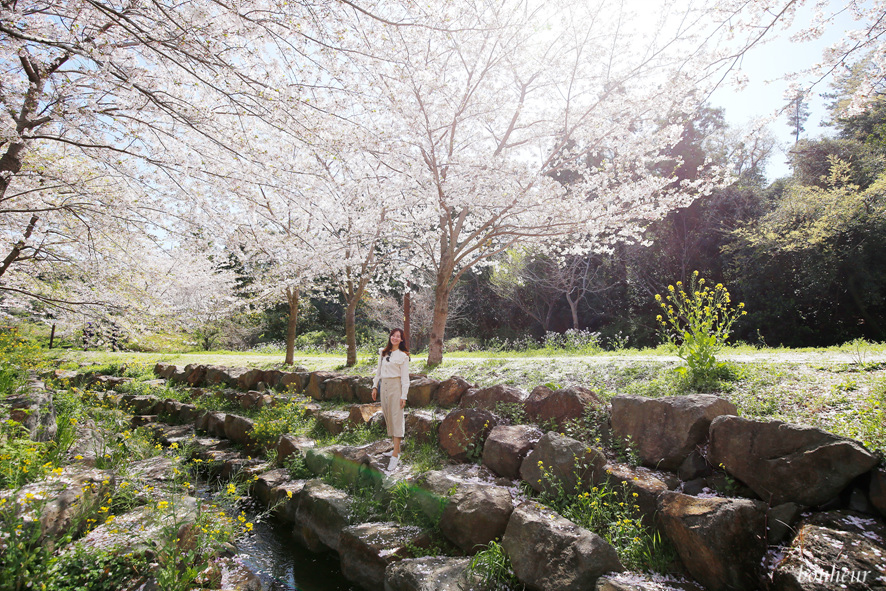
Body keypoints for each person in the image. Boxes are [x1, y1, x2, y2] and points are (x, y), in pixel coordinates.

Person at [371, 328, 410, 471]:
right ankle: (396, 449)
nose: (394, 338)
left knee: (396, 417)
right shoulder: (383, 353)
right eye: (393, 335)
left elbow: (405, 379)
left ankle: (395, 455)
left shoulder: (403, 356)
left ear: (401, 340)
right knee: (388, 416)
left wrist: (403, 396)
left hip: (396, 387)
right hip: (384, 386)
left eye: (398, 336)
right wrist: (375, 387)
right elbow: (378, 371)